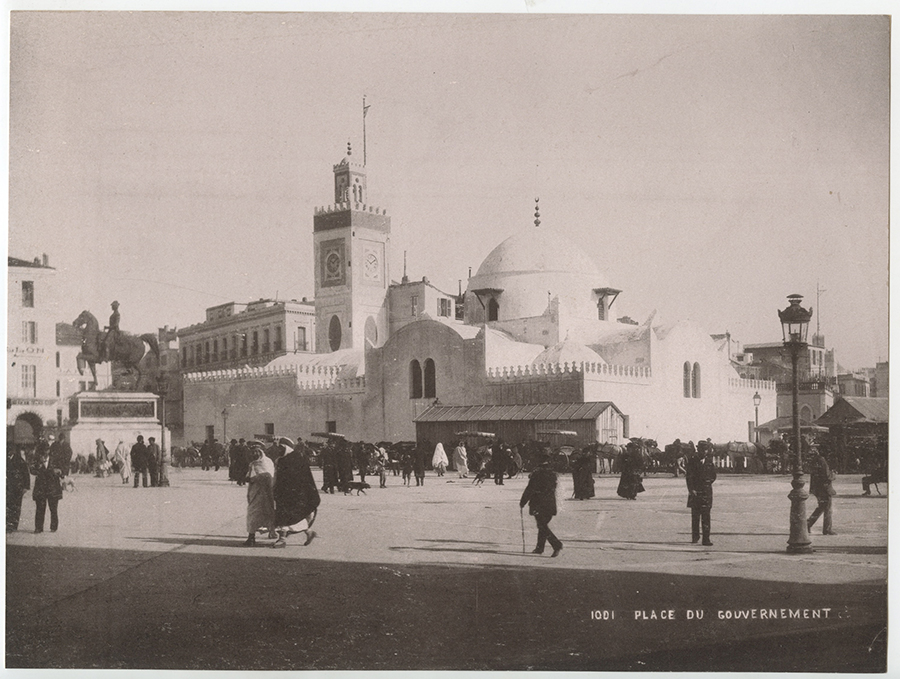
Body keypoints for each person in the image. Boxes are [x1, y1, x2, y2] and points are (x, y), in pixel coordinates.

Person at [273, 441, 321, 548]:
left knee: (287, 516)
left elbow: (304, 478)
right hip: (283, 493)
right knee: (290, 516)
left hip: (295, 494)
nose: (279, 450)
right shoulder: (281, 459)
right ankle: (309, 532)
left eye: (281, 448)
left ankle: (282, 539)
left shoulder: (296, 459)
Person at [520, 453, 563, 557]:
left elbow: (530, 489)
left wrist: (523, 501)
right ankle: (540, 547)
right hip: (550, 503)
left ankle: (556, 544)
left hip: (538, 503)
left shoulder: (537, 474)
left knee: (542, 525)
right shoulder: (553, 474)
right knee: (542, 524)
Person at [243, 445, 277, 546]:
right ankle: (252, 537)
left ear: (261, 452)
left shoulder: (267, 462)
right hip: (255, 492)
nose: (254, 454)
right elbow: (249, 476)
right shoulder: (252, 464)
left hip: (266, 493)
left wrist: (254, 479)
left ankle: (270, 532)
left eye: (256, 452)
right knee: (253, 514)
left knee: (267, 513)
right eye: (252, 452)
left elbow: (269, 476)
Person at [685, 440, 717, 546]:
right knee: (695, 516)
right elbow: (689, 476)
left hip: (706, 491)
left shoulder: (709, 461)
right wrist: (691, 489)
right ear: (698, 450)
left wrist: (707, 483)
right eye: (702, 449)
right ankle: (695, 536)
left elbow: (713, 475)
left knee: (706, 516)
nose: (704, 452)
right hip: (695, 491)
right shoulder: (692, 461)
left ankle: (706, 539)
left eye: (706, 450)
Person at [32, 448, 64, 533]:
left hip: (52, 487)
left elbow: (62, 470)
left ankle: (53, 527)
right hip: (41, 488)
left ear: (49, 451)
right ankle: (38, 527)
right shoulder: (37, 460)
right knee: (40, 508)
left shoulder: (55, 459)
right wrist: (39, 466)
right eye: (42, 453)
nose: (44, 455)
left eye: (46, 452)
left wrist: (59, 471)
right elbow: (32, 470)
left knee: (53, 508)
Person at [807, 449, 837, 535]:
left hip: (817, 488)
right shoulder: (822, 460)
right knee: (827, 508)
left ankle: (808, 524)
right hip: (824, 488)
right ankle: (827, 529)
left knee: (821, 507)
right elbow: (827, 476)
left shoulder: (814, 461)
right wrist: (833, 475)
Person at [7, 444, 31, 532]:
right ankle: (7, 525)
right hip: (7, 487)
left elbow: (26, 474)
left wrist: (26, 487)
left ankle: (13, 525)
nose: (9, 452)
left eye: (10, 450)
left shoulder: (19, 460)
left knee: (16, 507)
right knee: (7, 506)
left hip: (17, 488)